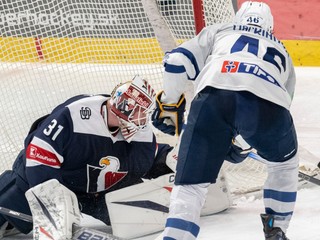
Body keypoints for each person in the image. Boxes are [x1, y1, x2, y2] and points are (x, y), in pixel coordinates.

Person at [152, 1, 298, 240]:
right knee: (284, 164)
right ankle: (276, 229)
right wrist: (241, 141)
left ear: (237, 19)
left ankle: (175, 236)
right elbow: (280, 110)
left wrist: (169, 102)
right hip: (267, 105)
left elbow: (177, 63)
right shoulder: (282, 51)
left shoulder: (221, 30)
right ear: (271, 28)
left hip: (212, 101)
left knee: (190, 186)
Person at [0, 75, 174, 239]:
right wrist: (52, 204)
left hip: (93, 194)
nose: (142, 120)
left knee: (145, 214)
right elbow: (40, 152)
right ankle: (11, 221)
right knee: (13, 200)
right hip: (45, 177)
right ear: (126, 107)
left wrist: (170, 158)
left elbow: (149, 158)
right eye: (139, 113)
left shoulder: (139, 132)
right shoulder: (75, 114)